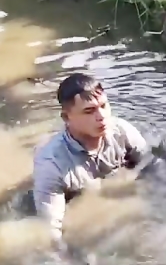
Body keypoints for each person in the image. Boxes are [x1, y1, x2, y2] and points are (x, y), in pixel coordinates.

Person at [31, 72, 151, 249]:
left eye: (103, 106)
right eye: (89, 111)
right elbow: (50, 231)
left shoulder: (122, 131)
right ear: (66, 117)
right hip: (72, 196)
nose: (101, 116)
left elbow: (151, 164)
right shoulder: (51, 166)